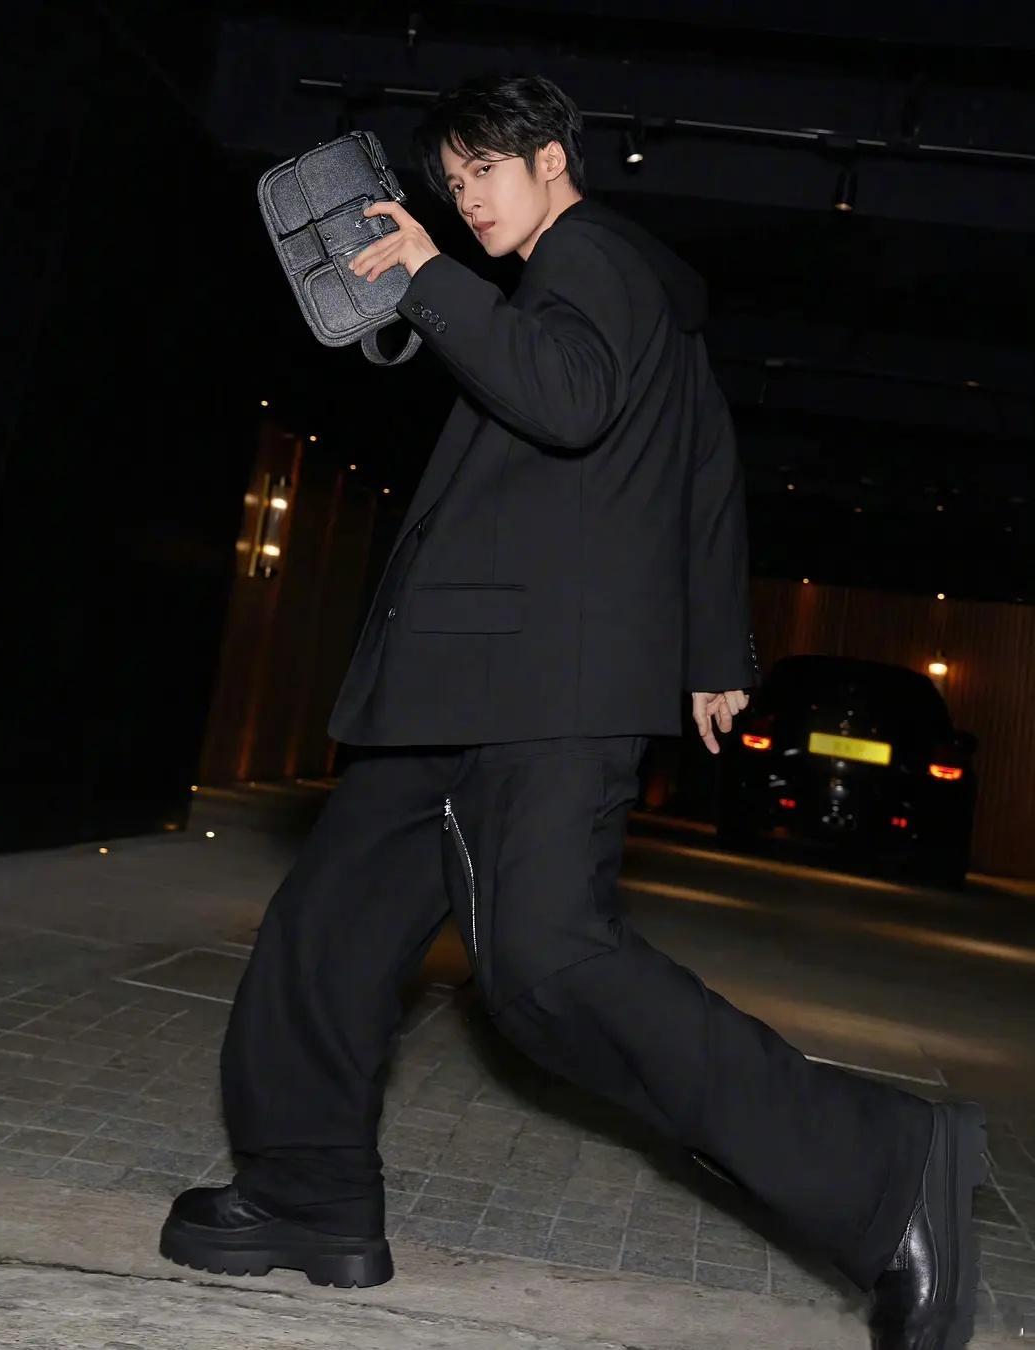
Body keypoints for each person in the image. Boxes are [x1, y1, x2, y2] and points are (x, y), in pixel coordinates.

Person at [160, 74, 987, 1350]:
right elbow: (704, 467)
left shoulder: (590, 257)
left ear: (553, 159)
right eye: (451, 184)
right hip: (469, 686)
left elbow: (564, 398)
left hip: (535, 689)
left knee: (550, 966)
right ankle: (306, 1190)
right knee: (329, 931)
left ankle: (886, 1170)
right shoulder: (633, 290)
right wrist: (713, 649)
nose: (466, 199)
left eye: (485, 171)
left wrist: (430, 277)